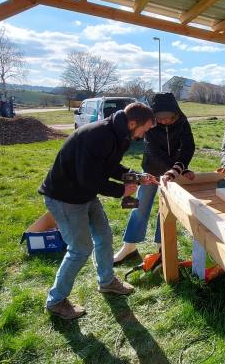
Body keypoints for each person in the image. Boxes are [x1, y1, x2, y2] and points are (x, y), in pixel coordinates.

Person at [38, 102, 158, 320]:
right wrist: (121, 190)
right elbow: (88, 178)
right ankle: (55, 301)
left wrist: (135, 176)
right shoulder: (98, 135)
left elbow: (109, 166)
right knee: (80, 249)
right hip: (64, 196)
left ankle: (107, 281)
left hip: (84, 193)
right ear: (133, 123)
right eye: (145, 128)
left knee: (103, 236)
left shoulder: (120, 134)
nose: (145, 133)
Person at [113, 92, 195, 265]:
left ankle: (162, 246)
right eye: (160, 118)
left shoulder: (182, 121)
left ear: (176, 114)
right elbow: (154, 151)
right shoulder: (149, 123)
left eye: (169, 118)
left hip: (173, 171)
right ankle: (129, 246)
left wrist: (180, 168)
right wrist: (175, 168)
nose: (165, 121)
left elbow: (188, 146)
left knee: (165, 208)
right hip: (152, 168)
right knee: (141, 206)